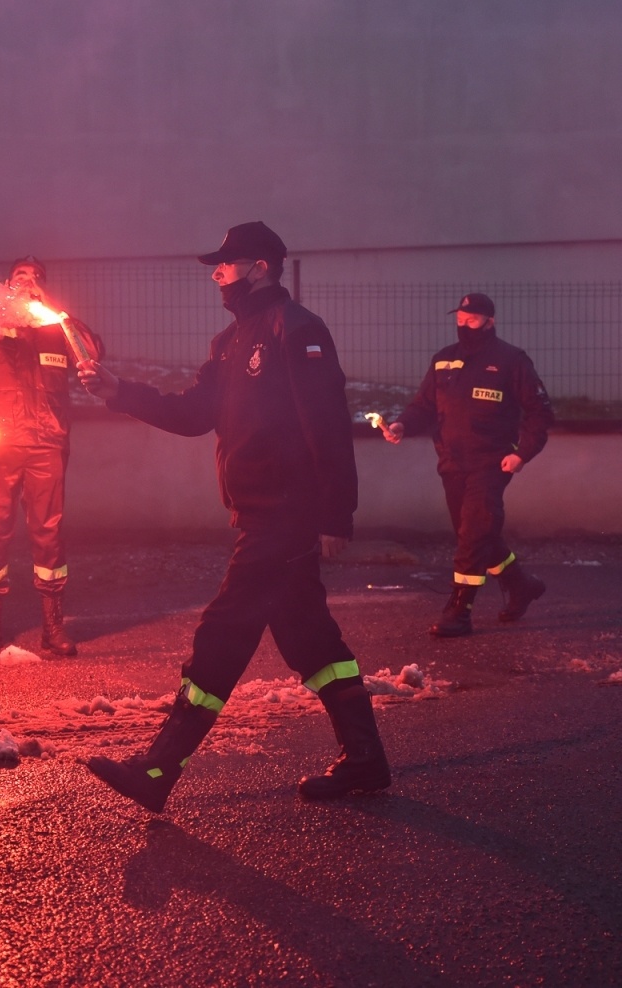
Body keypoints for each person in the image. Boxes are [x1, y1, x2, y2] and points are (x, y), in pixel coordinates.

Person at [78, 221, 390, 811]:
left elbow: (326, 426)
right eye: (215, 265)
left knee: (222, 632)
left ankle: (160, 767)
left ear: (262, 267)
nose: (217, 272)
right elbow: (193, 413)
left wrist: (335, 515)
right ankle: (367, 760)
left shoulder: (297, 330)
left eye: (228, 262)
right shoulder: (229, 341)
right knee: (312, 642)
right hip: (256, 513)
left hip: (287, 514)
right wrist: (119, 391)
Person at [379, 293, 555, 637]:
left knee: (473, 534)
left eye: (471, 320)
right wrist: (402, 425)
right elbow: (423, 407)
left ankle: (459, 610)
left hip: (491, 463)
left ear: (490, 322)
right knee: (476, 533)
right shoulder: (443, 360)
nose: (464, 326)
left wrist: (522, 454)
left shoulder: (511, 360)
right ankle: (521, 585)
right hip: (451, 463)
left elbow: (540, 413)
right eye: (459, 319)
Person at [0, 256, 103, 659]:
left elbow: (92, 354)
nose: (28, 282)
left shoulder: (55, 326)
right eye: (20, 276)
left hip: (47, 444)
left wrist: (57, 311)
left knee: (49, 534)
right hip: (0, 448)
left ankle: (53, 628)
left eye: (36, 278)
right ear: (7, 284)